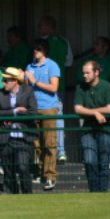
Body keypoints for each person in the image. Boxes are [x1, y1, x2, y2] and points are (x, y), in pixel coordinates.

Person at [0, 67, 37, 194]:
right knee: (8, 170)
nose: (3, 83)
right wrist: (15, 112)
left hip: (23, 137)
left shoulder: (28, 91)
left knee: (23, 167)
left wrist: (12, 117)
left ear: (15, 81)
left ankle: (27, 195)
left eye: (6, 80)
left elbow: (32, 112)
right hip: (6, 137)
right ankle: (13, 195)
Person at [74, 61, 110, 192]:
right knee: (89, 161)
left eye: (87, 73)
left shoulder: (106, 86)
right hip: (88, 130)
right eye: (83, 73)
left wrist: (91, 111)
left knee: (104, 161)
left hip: (105, 128)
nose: (84, 75)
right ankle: (93, 191)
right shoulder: (80, 87)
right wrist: (95, 113)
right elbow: (78, 109)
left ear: (96, 72)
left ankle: (103, 192)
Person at [25, 38, 60, 190]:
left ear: (44, 51)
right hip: (33, 109)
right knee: (37, 144)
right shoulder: (29, 66)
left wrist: (35, 82)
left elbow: (54, 88)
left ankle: (50, 176)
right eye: (34, 48)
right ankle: (41, 172)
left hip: (48, 108)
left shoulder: (52, 65)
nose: (35, 51)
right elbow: (26, 86)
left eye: (38, 49)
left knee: (49, 143)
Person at [38, 16, 73, 164]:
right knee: (58, 118)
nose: (39, 28)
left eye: (41, 25)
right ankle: (61, 151)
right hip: (60, 85)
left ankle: (43, 153)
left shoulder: (40, 43)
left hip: (41, 87)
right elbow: (69, 62)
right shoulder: (64, 42)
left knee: (41, 119)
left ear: (49, 26)